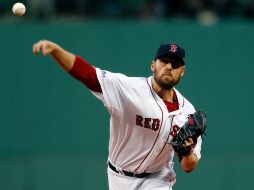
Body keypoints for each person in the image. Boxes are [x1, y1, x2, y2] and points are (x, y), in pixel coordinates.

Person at [32, 40, 203, 190]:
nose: (169, 67)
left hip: (157, 178)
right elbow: (87, 74)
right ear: (153, 65)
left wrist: (187, 152)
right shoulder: (128, 89)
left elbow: (188, 166)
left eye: (175, 64)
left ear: (182, 71)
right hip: (119, 176)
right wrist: (56, 51)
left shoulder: (188, 113)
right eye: (164, 61)